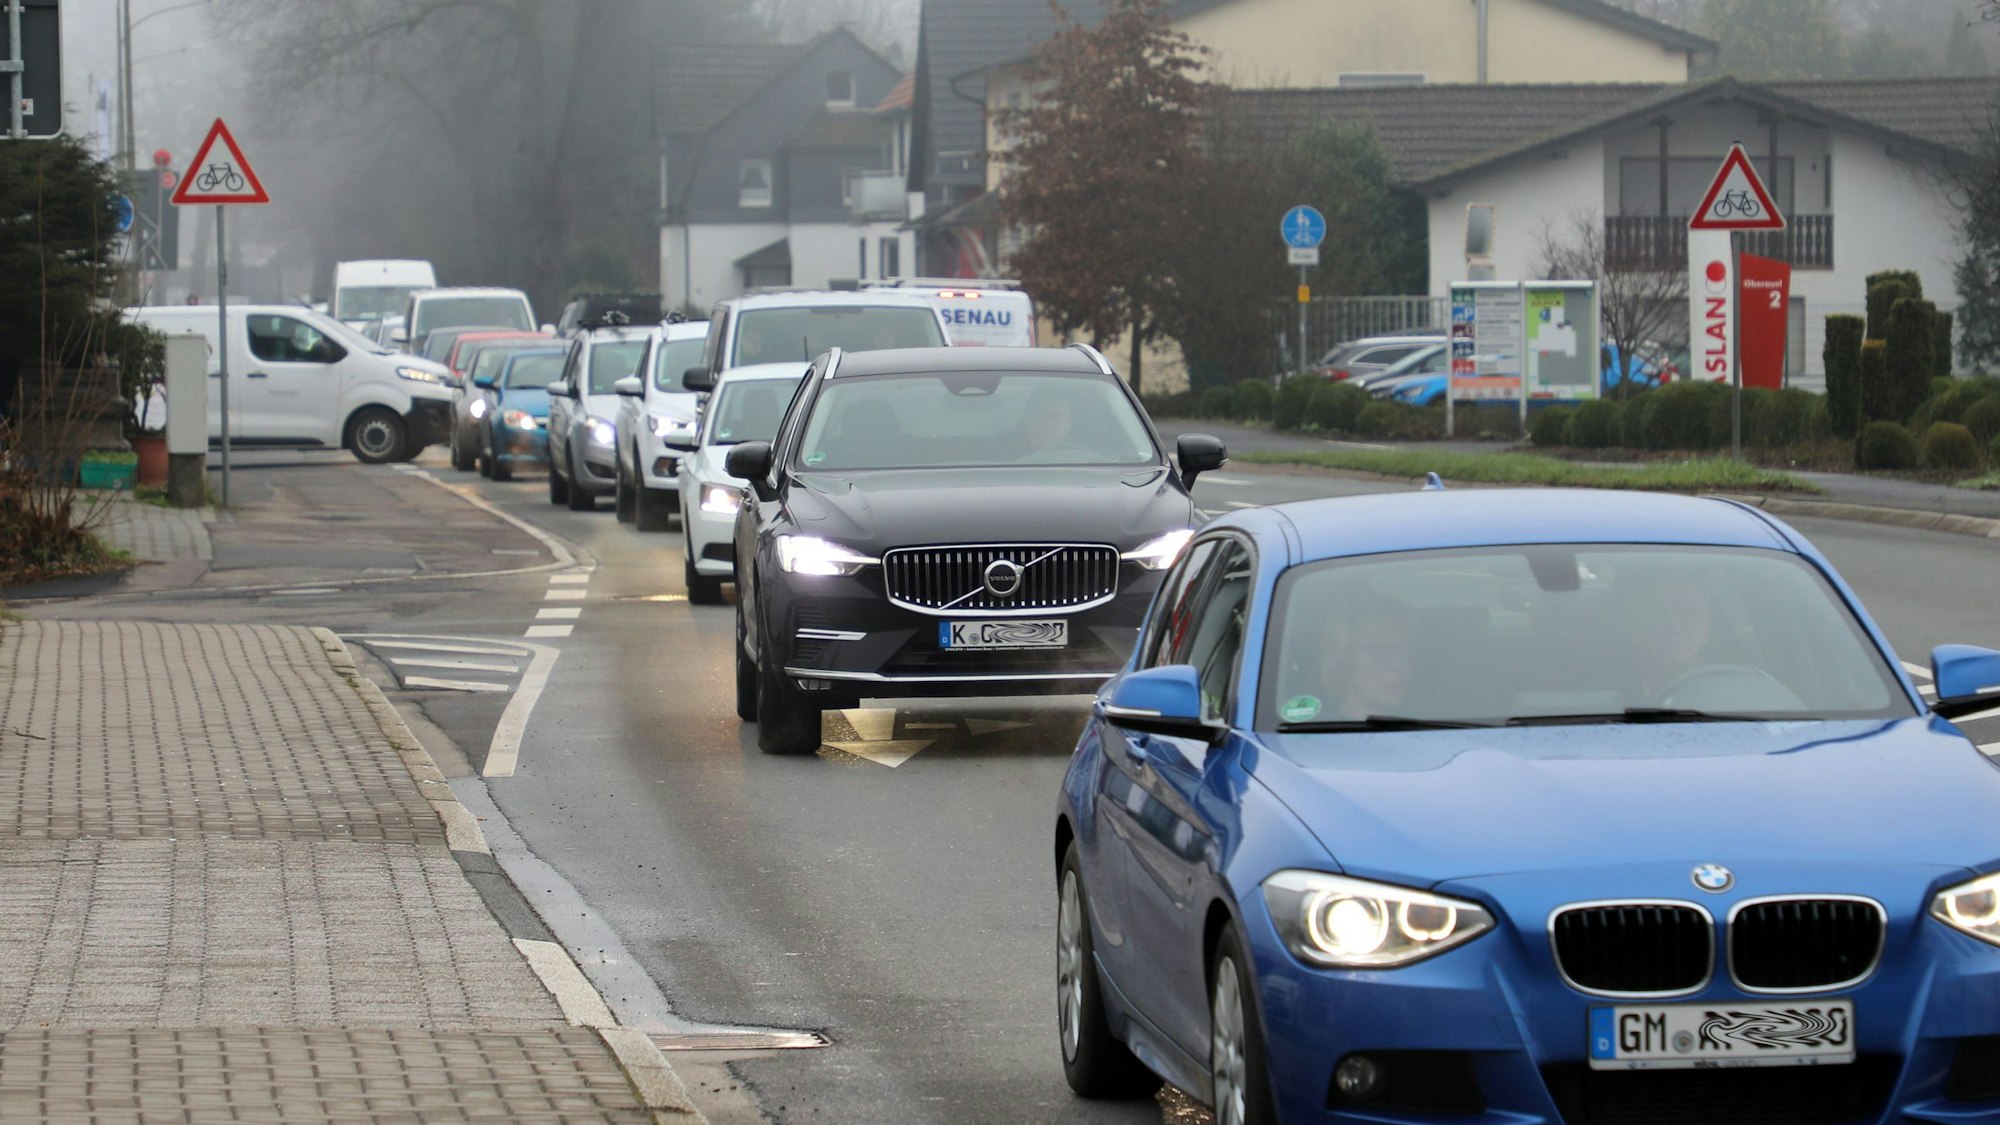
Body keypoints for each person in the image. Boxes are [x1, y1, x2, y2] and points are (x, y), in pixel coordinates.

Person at [1315, 602, 1416, 721]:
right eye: (1380, 651)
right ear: (1344, 657)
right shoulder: (1311, 728)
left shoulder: (1427, 724)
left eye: (1406, 652)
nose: (1397, 665)